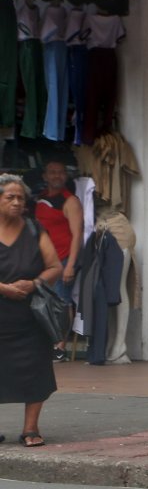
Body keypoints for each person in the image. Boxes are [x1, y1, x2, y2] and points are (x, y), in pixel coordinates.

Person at [0, 174, 64, 446]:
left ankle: (31, 429)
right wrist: (3, 288)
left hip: (30, 315)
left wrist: (34, 283)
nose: (16, 203)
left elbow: (55, 267)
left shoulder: (35, 229)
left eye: (21, 198)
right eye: (10, 197)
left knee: (35, 368)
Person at [34, 160, 82, 362]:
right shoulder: (40, 199)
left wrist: (70, 264)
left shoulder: (70, 201)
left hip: (62, 259)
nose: (56, 176)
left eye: (61, 172)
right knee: (42, 302)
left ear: (66, 176)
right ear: (45, 176)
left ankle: (60, 346)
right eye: (52, 172)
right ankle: (47, 342)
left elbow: (77, 235)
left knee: (62, 303)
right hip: (41, 261)